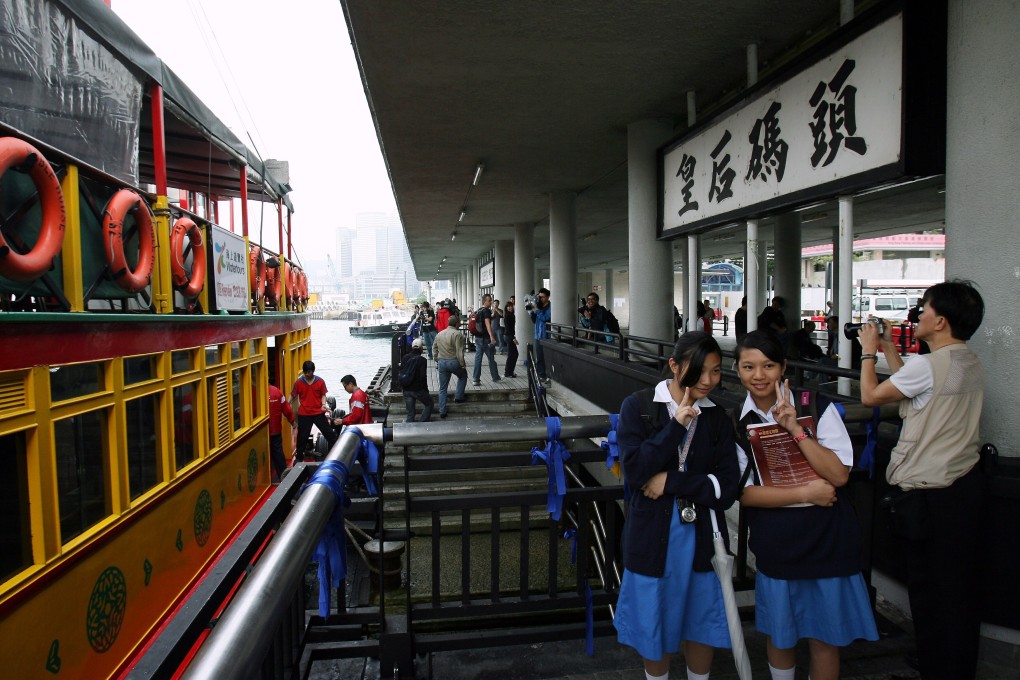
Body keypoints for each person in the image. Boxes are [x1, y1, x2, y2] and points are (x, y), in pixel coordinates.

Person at [858, 280, 986, 680]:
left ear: (941, 321)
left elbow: (871, 396)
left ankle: (936, 669)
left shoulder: (927, 366)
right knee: (957, 591)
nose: (918, 314)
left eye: (924, 309)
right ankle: (951, 666)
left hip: (929, 497)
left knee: (929, 592)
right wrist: (893, 351)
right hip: (964, 487)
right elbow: (917, 390)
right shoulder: (968, 361)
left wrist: (867, 352)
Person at [733, 330, 878, 680]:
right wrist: (805, 494)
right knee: (780, 634)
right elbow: (745, 493)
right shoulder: (738, 424)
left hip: (828, 537)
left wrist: (794, 428)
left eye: (768, 365)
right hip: (778, 541)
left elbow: (839, 475)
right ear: (737, 370)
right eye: (748, 366)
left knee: (825, 637)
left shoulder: (817, 405)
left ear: (783, 367)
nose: (759, 375)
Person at [614, 332, 741, 680]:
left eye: (715, 371)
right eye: (698, 370)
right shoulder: (638, 407)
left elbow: (727, 487)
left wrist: (670, 481)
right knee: (653, 628)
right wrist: (677, 425)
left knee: (700, 622)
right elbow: (637, 471)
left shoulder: (717, 416)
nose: (707, 380)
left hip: (702, 535)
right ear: (673, 366)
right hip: (651, 536)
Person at [290, 360, 338, 456]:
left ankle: (338, 451)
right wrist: (286, 404)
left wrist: (323, 404)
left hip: (318, 413)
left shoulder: (320, 381)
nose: (308, 374)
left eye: (310, 372)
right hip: (304, 414)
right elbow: (292, 395)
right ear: (304, 372)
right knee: (302, 437)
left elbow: (323, 395)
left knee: (329, 433)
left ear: (313, 371)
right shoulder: (299, 383)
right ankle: (299, 456)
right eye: (307, 372)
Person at [435, 315, 468, 418]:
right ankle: (458, 397)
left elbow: (434, 348)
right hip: (453, 361)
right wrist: (462, 364)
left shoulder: (439, 334)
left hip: (442, 362)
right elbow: (459, 351)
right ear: (457, 323)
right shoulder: (457, 334)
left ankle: (442, 411)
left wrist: (436, 359)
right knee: (463, 376)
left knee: (443, 388)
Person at [268, 377, 295, 482]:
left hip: (261, 433)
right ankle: (283, 476)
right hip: (275, 429)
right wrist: (293, 421)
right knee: (278, 452)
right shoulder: (277, 392)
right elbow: (286, 409)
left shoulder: (254, 392)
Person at [472, 293, 502, 385]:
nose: (491, 302)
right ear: (485, 301)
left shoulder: (478, 310)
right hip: (485, 339)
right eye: (490, 301)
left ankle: (475, 379)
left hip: (478, 338)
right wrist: (492, 337)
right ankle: (495, 377)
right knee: (491, 358)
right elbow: (488, 324)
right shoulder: (486, 311)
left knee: (478, 359)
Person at [401, 337, 433, 422]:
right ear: (421, 348)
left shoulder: (405, 358)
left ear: (412, 347)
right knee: (429, 404)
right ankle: (422, 423)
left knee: (410, 413)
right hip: (417, 390)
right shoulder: (422, 360)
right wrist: (426, 390)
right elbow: (423, 377)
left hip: (406, 389)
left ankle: (409, 428)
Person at [529, 287, 552, 382]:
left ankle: (547, 375)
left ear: (548, 297)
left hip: (546, 336)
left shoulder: (550, 307)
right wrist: (531, 311)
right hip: (537, 335)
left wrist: (537, 310)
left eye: (543, 297)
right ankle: (540, 375)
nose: (541, 299)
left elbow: (546, 318)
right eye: (540, 297)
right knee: (539, 357)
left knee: (547, 357)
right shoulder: (539, 306)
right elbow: (534, 321)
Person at [503, 298, 519, 377]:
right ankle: (508, 372)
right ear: (506, 308)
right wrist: (513, 338)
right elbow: (509, 328)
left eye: (511, 306)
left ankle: (509, 372)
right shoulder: (507, 316)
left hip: (509, 336)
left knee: (513, 354)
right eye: (508, 306)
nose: (510, 308)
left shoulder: (511, 315)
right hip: (509, 336)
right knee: (512, 354)